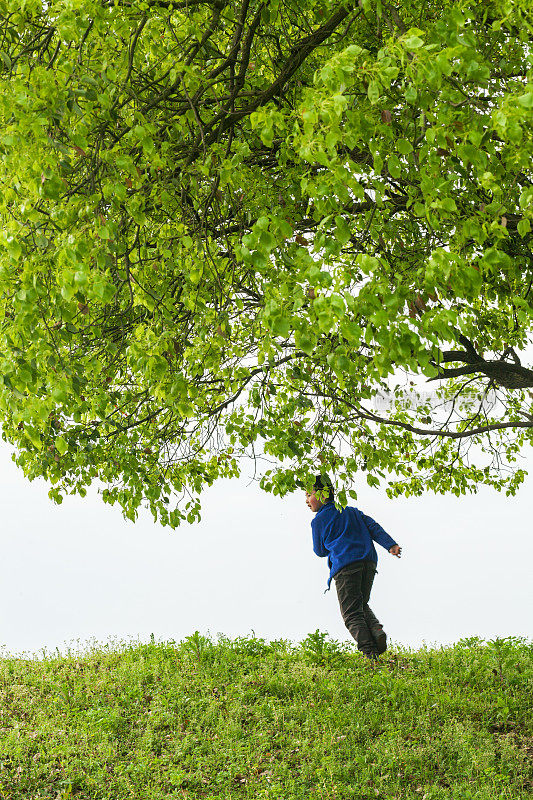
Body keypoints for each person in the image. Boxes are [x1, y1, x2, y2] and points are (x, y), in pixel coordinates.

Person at [306, 474, 402, 661]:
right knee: (360, 604)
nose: (306, 501)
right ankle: (376, 629)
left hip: (345, 566)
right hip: (368, 562)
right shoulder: (352, 511)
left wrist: (332, 543)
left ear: (323, 495)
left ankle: (370, 654)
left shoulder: (318, 521)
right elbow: (373, 527)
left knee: (351, 613)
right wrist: (391, 545)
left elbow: (319, 551)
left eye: (309, 494)